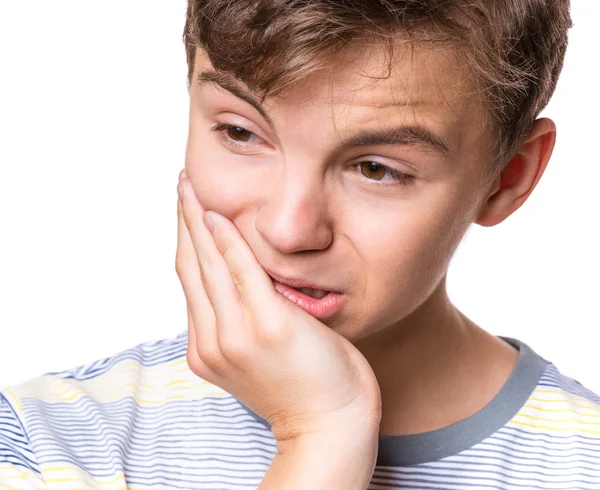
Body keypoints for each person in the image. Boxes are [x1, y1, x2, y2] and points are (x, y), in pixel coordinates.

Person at [2, 0, 598, 488]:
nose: (288, 230)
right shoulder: (46, 440)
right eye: (240, 132)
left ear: (508, 177)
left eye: (376, 169)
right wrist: (321, 438)